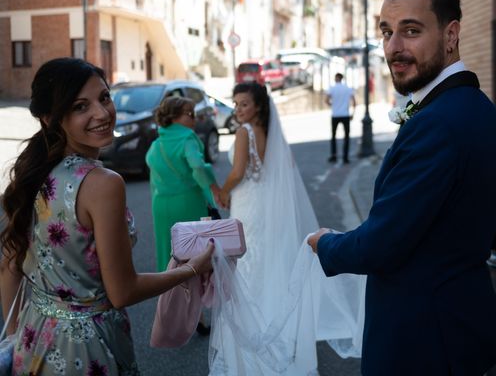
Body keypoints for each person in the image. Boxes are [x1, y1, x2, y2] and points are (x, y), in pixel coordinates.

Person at [308, 0, 496, 375]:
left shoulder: (436, 124)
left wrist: (323, 244)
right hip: (464, 334)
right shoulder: (484, 113)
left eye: (411, 30)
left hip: (420, 343)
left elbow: (377, 247)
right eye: (387, 32)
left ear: (451, 33)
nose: (393, 48)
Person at [0, 58, 214, 375]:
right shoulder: (103, 184)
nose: (102, 113)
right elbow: (123, 291)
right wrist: (191, 269)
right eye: (79, 107)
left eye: (104, 97)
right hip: (87, 350)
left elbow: (9, 264)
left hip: (32, 342)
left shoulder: (33, 173)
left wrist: (17, 334)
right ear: (50, 118)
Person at [211, 82, 363, 374]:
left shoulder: (244, 133)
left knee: (248, 264)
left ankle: (251, 328)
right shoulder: (269, 132)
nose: (238, 109)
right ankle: (272, 320)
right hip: (261, 204)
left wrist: (222, 190)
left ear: (258, 106)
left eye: (244, 104)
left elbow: (238, 171)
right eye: (236, 103)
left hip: (248, 204)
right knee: (262, 261)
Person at [145, 96, 221, 273]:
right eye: (190, 114)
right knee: (196, 252)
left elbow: (153, 180)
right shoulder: (187, 138)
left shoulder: (156, 144)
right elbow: (198, 166)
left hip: (161, 204)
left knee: (168, 252)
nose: (195, 118)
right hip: (187, 200)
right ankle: (195, 295)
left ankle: (170, 293)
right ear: (173, 117)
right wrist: (212, 188)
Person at [325, 73, 356, 164]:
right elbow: (354, 102)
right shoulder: (347, 88)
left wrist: (333, 106)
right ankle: (345, 157)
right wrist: (352, 114)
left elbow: (326, 100)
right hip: (345, 115)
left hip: (335, 115)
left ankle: (334, 156)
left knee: (333, 136)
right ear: (342, 78)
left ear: (335, 78)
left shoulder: (332, 88)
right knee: (346, 136)